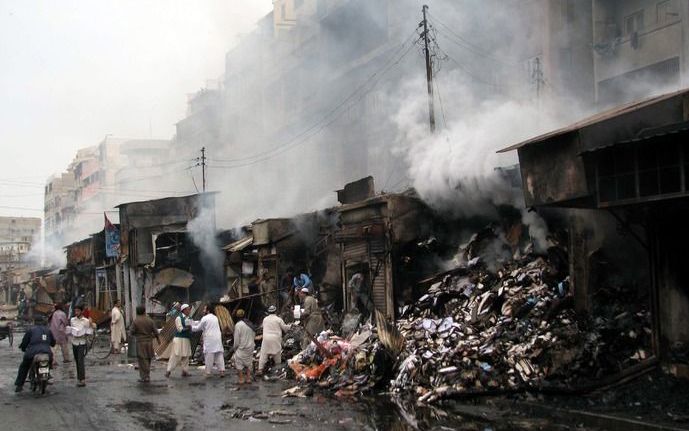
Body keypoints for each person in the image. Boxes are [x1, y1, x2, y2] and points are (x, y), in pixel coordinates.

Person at [14, 317, 55, 392]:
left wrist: (23, 348)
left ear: (34, 322)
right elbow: (53, 343)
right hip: (47, 353)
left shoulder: (31, 330)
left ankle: (19, 384)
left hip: (32, 353)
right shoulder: (48, 330)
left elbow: (25, 342)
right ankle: (48, 374)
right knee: (50, 363)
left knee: (24, 366)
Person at [191, 305, 225, 378]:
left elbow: (198, 328)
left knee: (209, 356)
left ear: (208, 310)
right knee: (219, 355)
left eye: (204, 309)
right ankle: (222, 371)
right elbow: (202, 324)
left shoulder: (205, 318)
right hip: (218, 339)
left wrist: (190, 326)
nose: (203, 310)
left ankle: (208, 372)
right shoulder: (215, 317)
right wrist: (194, 323)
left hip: (210, 340)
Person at [257, 305, 290, 375]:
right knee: (277, 354)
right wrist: (290, 326)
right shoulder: (278, 319)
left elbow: (262, 327)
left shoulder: (265, 319)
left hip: (266, 338)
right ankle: (278, 369)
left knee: (263, 354)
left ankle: (260, 369)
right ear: (275, 311)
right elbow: (285, 328)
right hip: (275, 338)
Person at [130, 306, 159, 383]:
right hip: (149, 342)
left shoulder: (136, 321)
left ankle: (145, 377)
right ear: (144, 311)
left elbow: (131, 332)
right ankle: (147, 375)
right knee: (148, 359)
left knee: (142, 360)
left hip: (140, 343)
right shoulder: (150, 320)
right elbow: (156, 332)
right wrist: (158, 340)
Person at [69, 305, 95, 387]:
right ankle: (79, 378)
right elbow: (71, 330)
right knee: (77, 361)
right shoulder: (72, 320)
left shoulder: (86, 321)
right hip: (74, 342)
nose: (76, 313)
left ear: (81, 311)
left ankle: (82, 379)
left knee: (80, 361)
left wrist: (91, 325)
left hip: (82, 342)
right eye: (75, 311)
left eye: (78, 311)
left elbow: (90, 330)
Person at [166, 303, 192, 378]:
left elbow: (192, 328)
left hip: (186, 339)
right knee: (176, 355)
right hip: (179, 339)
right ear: (183, 310)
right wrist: (188, 328)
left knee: (186, 356)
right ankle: (169, 371)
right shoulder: (179, 318)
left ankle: (185, 371)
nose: (189, 311)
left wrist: (191, 329)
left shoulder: (189, 318)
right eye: (188, 309)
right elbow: (180, 329)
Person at [232, 309, 255, 384]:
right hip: (250, 346)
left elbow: (236, 339)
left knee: (239, 363)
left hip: (242, 347)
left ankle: (241, 379)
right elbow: (254, 335)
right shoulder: (250, 324)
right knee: (249, 362)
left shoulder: (238, 325)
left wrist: (235, 348)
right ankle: (248, 378)